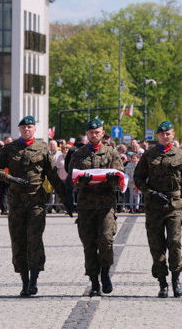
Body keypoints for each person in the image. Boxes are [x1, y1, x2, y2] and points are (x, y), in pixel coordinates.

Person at [0, 115, 72, 297]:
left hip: (36, 201)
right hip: (16, 202)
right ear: (19, 129)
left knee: (35, 239)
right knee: (18, 241)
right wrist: (9, 178)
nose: (27, 129)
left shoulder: (42, 149)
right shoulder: (10, 149)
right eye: (24, 127)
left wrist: (67, 200)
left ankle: (34, 281)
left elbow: (53, 176)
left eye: (30, 127)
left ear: (35, 129)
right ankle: (24, 282)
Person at [133, 121, 182, 299]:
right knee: (157, 246)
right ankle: (162, 282)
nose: (165, 136)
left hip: (174, 205)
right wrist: (150, 193)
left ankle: (176, 279)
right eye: (162, 134)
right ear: (158, 136)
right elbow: (138, 178)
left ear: (172, 135)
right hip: (154, 206)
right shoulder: (149, 155)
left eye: (168, 133)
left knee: (174, 243)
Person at [67, 118, 124, 297]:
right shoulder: (78, 154)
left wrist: (109, 178)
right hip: (86, 207)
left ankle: (105, 273)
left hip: (106, 205)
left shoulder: (111, 153)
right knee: (89, 245)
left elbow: (120, 176)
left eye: (97, 131)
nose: (94, 134)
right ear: (87, 134)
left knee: (106, 240)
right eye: (91, 132)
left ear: (102, 132)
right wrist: (80, 181)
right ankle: (94, 281)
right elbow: (71, 178)